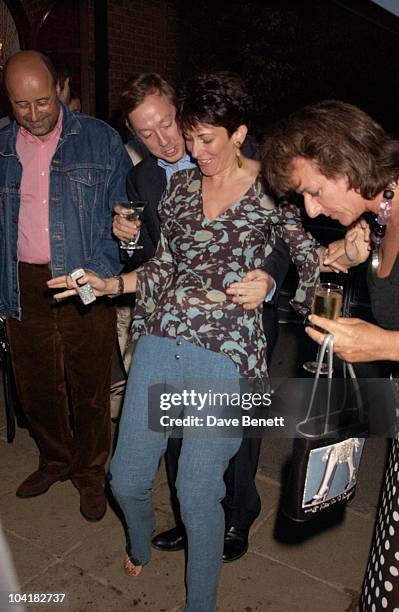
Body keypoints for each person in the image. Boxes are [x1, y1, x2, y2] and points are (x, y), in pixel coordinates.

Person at [48, 71, 326, 611]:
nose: (195, 152)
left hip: (226, 354)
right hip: (158, 340)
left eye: (208, 140)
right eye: (191, 137)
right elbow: (163, 266)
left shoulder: (273, 189)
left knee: (198, 492)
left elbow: (311, 258)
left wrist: (271, 282)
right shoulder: (175, 191)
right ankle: (139, 540)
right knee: (125, 479)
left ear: (239, 134)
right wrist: (110, 283)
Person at [113, 72, 291, 561]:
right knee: (171, 429)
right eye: (145, 134)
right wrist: (127, 239)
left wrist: (268, 279)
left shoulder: (243, 153)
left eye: (168, 125)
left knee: (235, 435)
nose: (165, 141)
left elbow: (285, 241)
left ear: (181, 110)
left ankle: (236, 518)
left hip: (240, 318)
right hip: (173, 326)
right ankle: (194, 519)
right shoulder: (144, 179)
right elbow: (152, 259)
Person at [262, 99, 399, 612]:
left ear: (344, 164)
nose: (311, 211)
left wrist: (382, 345)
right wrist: (368, 250)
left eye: (313, 192)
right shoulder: (384, 207)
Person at [0, 50, 131, 522]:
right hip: (21, 282)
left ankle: (90, 474)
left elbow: (120, 218)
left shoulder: (100, 140)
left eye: (42, 101)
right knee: (35, 387)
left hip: (84, 277)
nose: (33, 115)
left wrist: (93, 273)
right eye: (21, 105)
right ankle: (55, 459)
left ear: (59, 88)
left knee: (90, 387)